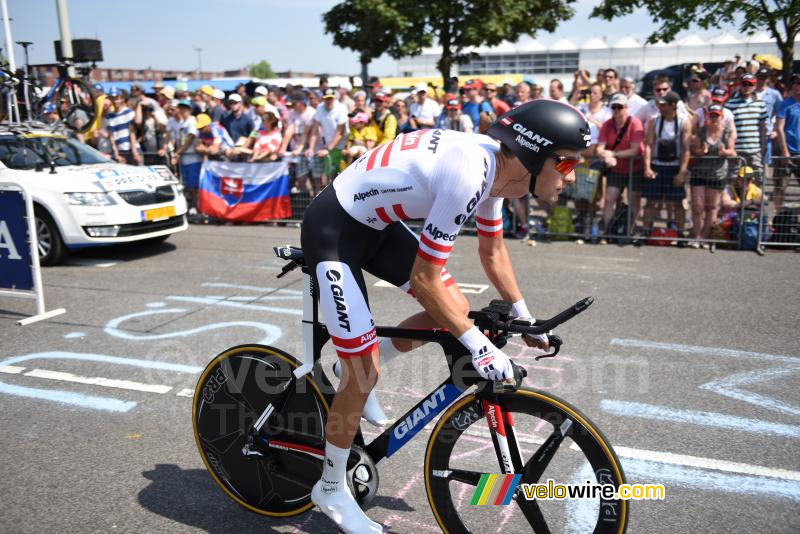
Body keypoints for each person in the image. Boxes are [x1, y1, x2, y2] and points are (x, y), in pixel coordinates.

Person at [301, 99, 588, 533]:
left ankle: (350, 361)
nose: (572, 176)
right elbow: (425, 279)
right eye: (565, 165)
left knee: (453, 311)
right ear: (532, 154)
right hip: (334, 229)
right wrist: (480, 347)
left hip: (377, 226)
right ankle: (329, 487)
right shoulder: (470, 173)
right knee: (366, 372)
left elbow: (492, 251)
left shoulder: (503, 174)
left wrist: (524, 316)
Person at [642, 91, 692, 235]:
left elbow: (686, 149)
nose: (660, 107)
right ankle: (646, 231)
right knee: (651, 202)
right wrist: (647, 167)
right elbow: (648, 145)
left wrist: (682, 173)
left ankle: (681, 233)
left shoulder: (684, 121)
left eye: (663, 105)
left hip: (674, 166)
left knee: (678, 203)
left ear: (673, 105)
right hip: (657, 165)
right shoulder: (654, 121)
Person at [596, 93, 645, 238]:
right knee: (610, 198)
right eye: (614, 107)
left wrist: (613, 154)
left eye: (620, 107)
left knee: (634, 198)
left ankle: (630, 230)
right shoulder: (607, 124)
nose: (617, 110)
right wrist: (607, 155)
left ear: (626, 108)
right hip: (617, 169)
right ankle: (608, 230)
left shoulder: (635, 123)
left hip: (635, 168)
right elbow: (599, 148)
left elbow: (635, 149)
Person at [689, 103, 736, 246]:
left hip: (717, 174)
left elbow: (733, 152)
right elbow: (695, 151)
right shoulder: (701, 131)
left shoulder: (727, 132)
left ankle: (705, 238)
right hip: (700, 173)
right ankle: (696, 237)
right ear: (708, 116)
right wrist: (701, 152)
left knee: (711, 207)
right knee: (697, 206)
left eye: (717, 115)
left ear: (722, 117)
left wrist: (725, 152)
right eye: (712, 115)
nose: (715, 118)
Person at [725, 73, 768, 181]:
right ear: (740, 85)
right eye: (744, 84)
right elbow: (727, 129)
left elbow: (763, 127)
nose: (747, 87)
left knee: (759, 179)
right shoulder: (730, 104)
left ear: (754, 86)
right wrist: (730, 149)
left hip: (755, 150)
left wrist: (763, 146)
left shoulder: (760, 104)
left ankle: (756, 199)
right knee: (733, 180)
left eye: (750, 84)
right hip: (737, 150)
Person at [306, 88, 348, 193]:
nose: (329, 101)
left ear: (334, 98)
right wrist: (311, 148)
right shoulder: (320, 108)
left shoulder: (341, 108)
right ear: (323, 99)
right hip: (330, 145)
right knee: (328, 176)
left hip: (342, 145)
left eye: (331, 99)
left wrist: (328, 149)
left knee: (335, 176)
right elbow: (315, 129)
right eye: (326, 99)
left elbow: (340, 133)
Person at [774, 73, 800, 212]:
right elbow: (779, 128)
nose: (796, 86)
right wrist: (785, 151)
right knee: (780, 186)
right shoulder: (785, 104)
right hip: (787, 151)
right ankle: (777, 219)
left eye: (799, 83)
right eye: (794, 83)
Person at [170, 100, 202, 211]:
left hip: (193, 157)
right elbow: (177, 140)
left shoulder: (192, 121)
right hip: (183, 157)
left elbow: (190, 139)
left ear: (190, 110)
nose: (183, 110)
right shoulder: (181, 123)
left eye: (185, 108)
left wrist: (178, 152)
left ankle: (196, 206)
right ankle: (191, 205)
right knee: (186, 184)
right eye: (181, 107)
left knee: (194, 185)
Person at [105, 88, 142, 165]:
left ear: (122, 99)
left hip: (132, 149)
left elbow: (132, 133)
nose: (115, 101)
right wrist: (116, 153)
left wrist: (134, 152)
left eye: (117, 99)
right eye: (112, 99)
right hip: (121, 151)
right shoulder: (109, 116)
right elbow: (112, 137)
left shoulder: (128, 112)